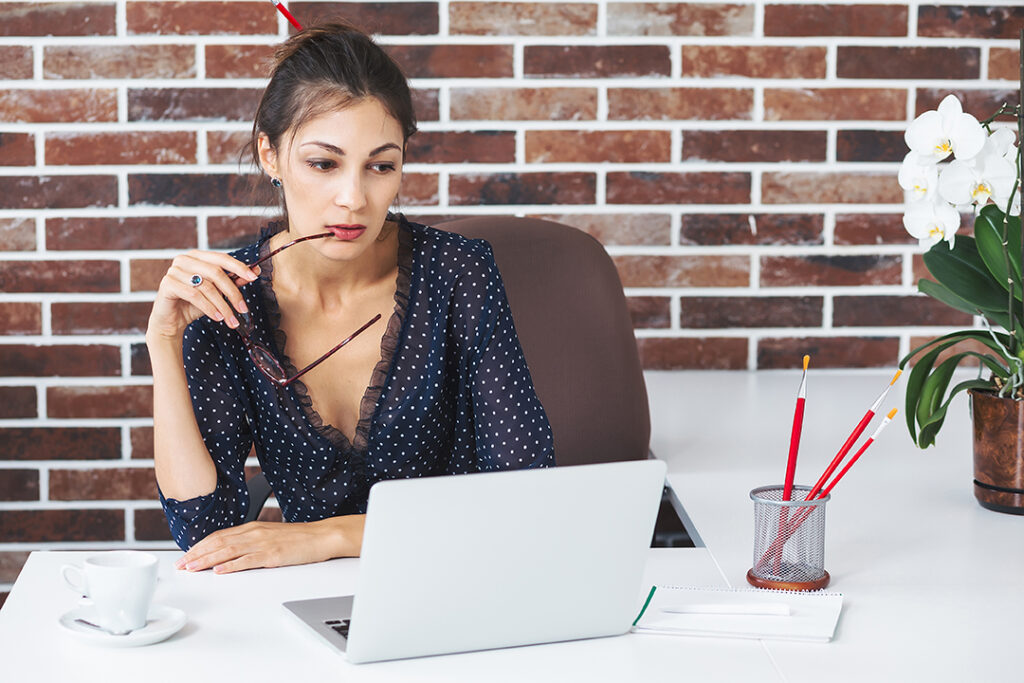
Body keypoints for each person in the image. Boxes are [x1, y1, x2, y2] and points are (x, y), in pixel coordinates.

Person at [146, 22, 554, 575]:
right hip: (304, 602)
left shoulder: (460, 273)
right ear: (270, 154)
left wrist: (327, 537)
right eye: (323, 164)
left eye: (381, 166)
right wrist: (165, 341)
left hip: (455, 580)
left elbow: (524, 495)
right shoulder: (227, 298)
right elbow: (202, 529)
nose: (354, 198)